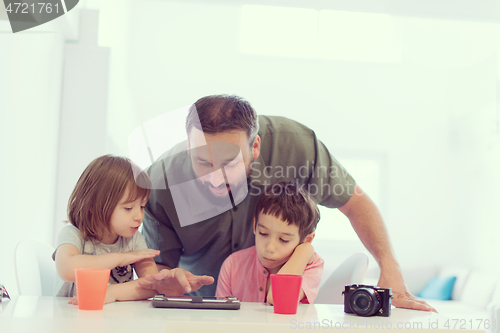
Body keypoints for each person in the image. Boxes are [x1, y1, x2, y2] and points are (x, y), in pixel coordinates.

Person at [139, 95, 435, 312]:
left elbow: (355, 203)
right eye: (202, 162)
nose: (216, 179)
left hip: (277, 311)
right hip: (202, 309)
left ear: (255, 147)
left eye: (229, 164)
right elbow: (160, 266)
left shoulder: (297, 147)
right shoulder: (161, 183)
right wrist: (161, 283)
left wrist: (390, 267)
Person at [53, 155, 211, 303]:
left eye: (142, 206)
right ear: (93, 206)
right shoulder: (74, 234)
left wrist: (111, 293)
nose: (139, 216)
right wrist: (121, 258)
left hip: (115, 317)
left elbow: (151, 285)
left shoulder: (134, 240)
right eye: (128, 208)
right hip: (71, 316)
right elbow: (67, 269)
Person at [216, 181, 324, 304]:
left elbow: (279, 298)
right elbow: (221, 319)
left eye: (284, 240)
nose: (270, 248)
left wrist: (306, 249)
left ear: (307, 240)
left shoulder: (312, 266)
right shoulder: (233, 265)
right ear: (255, 226)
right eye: (263, 233)